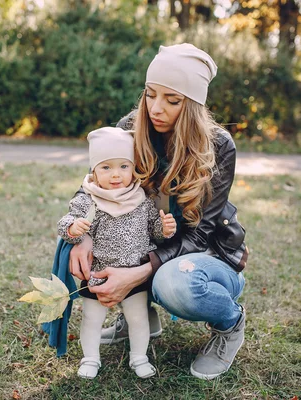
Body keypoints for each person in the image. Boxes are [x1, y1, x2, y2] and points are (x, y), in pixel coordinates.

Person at [68, 43, 249, 380]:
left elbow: (202, 234)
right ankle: (137, 316)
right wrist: (84, 237)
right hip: (153, 245)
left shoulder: (219, 145)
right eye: (150, 94)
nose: (156, 108)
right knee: (101, 240)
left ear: (192, 104)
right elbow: (96, 180)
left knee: (174, 283)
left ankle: (230, 325)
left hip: (207, 258)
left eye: (172, 99)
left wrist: (138, 273)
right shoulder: (131, 127)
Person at [57, 127, 177, 379]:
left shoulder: (141, 198)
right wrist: (73, 227)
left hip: (134, 272)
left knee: (138, 318)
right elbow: (66, 223)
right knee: (92, 318)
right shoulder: (89, 199)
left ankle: (139, 357)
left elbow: (153, 229)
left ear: (134, 167)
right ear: (94, 171)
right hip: (98, 272)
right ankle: (90, 358)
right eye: (106, 168)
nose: (115, 175)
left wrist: (165, 228)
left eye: (124, 167)